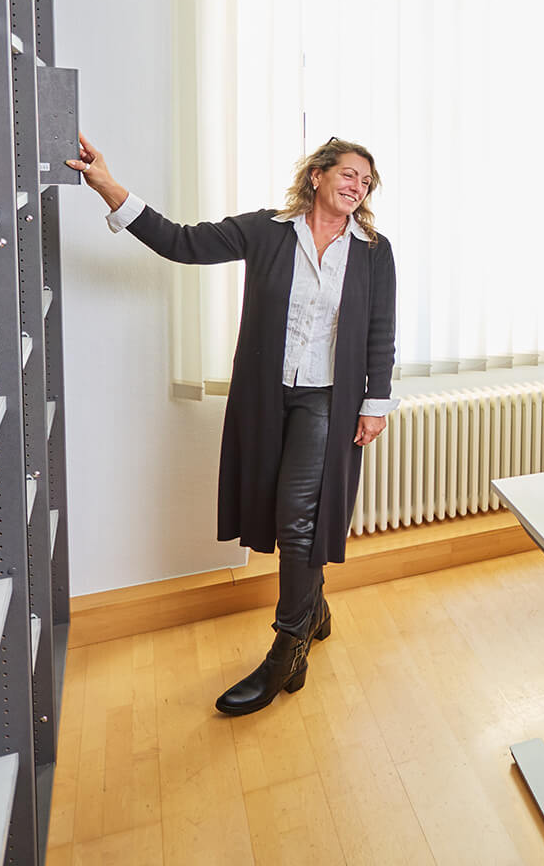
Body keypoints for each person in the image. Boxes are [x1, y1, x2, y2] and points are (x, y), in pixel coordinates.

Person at [69, 135, 397, 717]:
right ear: (317, 176)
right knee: (276, 508)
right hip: (267, 397)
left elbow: (380, 329)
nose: (357, 186)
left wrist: (376, 402)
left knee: (299, 520)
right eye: (349, 174)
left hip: (329, 400)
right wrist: (109, 187)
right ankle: (313, 608)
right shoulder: (267, 231)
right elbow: (181, 242)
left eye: (366, 181)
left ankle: (287, 649)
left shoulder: (373, 251)